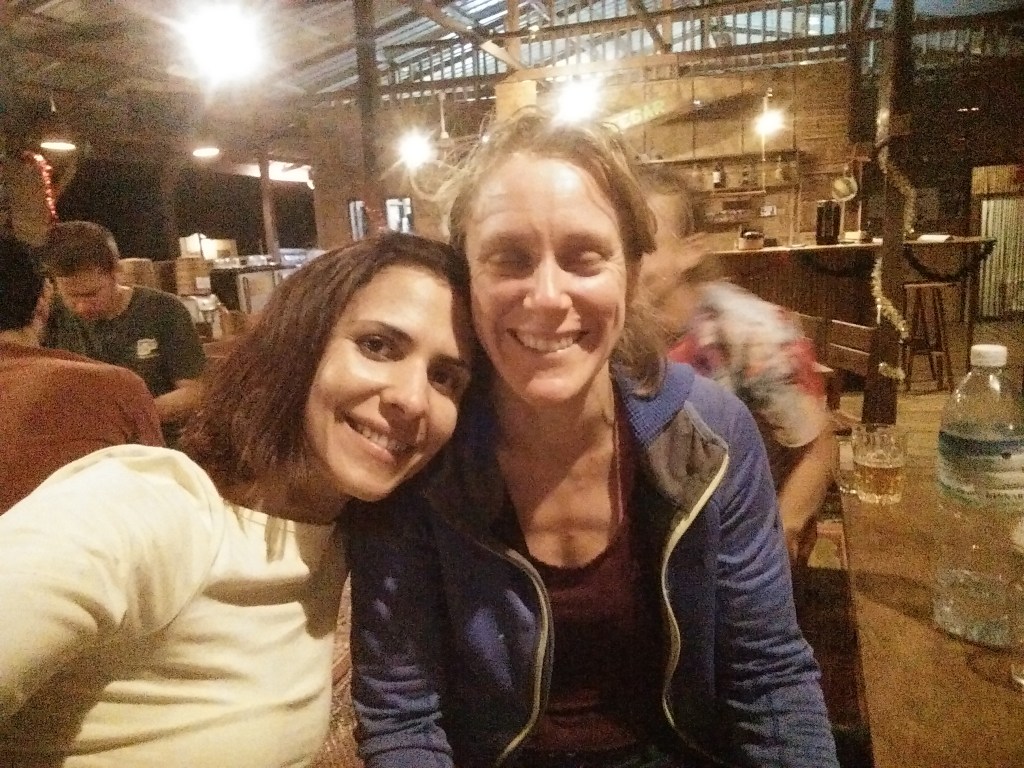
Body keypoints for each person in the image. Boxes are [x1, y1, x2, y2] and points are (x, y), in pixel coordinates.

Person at [348, 109, 839, 768]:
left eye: (584, 257)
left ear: (630, 275)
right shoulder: (420, 452)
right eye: (509, 257)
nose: (547, 297)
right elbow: (404, 714)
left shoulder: (714, 436)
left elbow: (768, 678)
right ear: (466, 280)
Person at [0, 232, 476, 767]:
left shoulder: (347, 543)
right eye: (378, 346)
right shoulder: (147, 507)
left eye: (445, 377)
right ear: (299, 344)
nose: (413, 399)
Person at [638, 165, 836, 566]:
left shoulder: (750, 332)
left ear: (691, 250)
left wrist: (779, 536)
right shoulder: (616, 331)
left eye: (641, 243)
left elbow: (819, 447)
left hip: (740, 541)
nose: (624, 261)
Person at [0, 234, 163, 514]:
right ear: (46, 296)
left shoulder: (158, 309)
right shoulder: (114, 386)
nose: (82, 305)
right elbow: (162, 500)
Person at [40, 220, 207, 446]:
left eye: (91, 294)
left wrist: (124, 418)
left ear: (116, 272)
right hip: (87, 449)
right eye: (71, 296)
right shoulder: (51, 315)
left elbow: (194, 392)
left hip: (158, 447)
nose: (81, 307)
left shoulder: (164, 310)